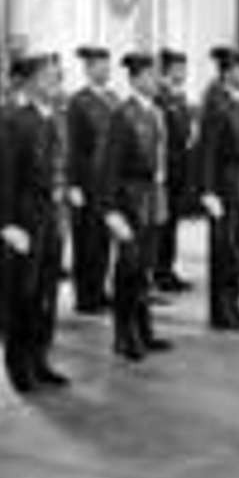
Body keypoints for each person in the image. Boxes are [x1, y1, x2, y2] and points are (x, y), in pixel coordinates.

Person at [0, 54, 72, 392]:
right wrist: (8, 224)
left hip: (52, 217)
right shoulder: (16, 120)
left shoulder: (55, 117)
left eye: (58, 75)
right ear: (29, 82)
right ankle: (18, 366)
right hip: (26, 217)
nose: (56, 80)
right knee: (22, 296)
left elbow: (61, 169)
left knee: (46, 295)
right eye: (49, 75)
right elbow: (5, 178)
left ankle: (40, 359)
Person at [99, 52, 173, 360]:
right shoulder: (123, 114)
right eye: (152, 76)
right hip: (129, 199)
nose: (157, 81)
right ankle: (123, 334)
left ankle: (144, 329)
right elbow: (110, 167)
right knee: (128, 270)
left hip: (152, 197)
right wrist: (110, 210)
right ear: (137, 78)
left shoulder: (154, 112)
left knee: (144, 269)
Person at [196, 47, 239, 329]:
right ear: (228, 72)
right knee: (222, 251)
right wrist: (208, 190)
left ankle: (234, 304)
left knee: (236, 250)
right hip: (223, 188)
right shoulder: (216, 104)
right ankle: (220, 312)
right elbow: (206, 151)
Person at [66, 46, 117, 314]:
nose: (106, 70)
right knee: (86, 239)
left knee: (103, 239)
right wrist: (73, 184)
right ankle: (85, 296)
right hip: (87, 181)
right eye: (100, 65)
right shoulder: (78, 102)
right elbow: (72, 147)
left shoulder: (112, 98)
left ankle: (99, 288)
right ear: (88, 69)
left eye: (107, 65)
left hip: (108, 181)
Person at [152, 49, 196, 295]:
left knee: (172, 225)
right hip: (165, 171)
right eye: (180, 68)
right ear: (168, 70)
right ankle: (159, 272)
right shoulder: (161, 97)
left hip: (179, 169)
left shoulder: (178, 97)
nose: (184, 73)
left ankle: (167, 269)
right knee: (163, 226)